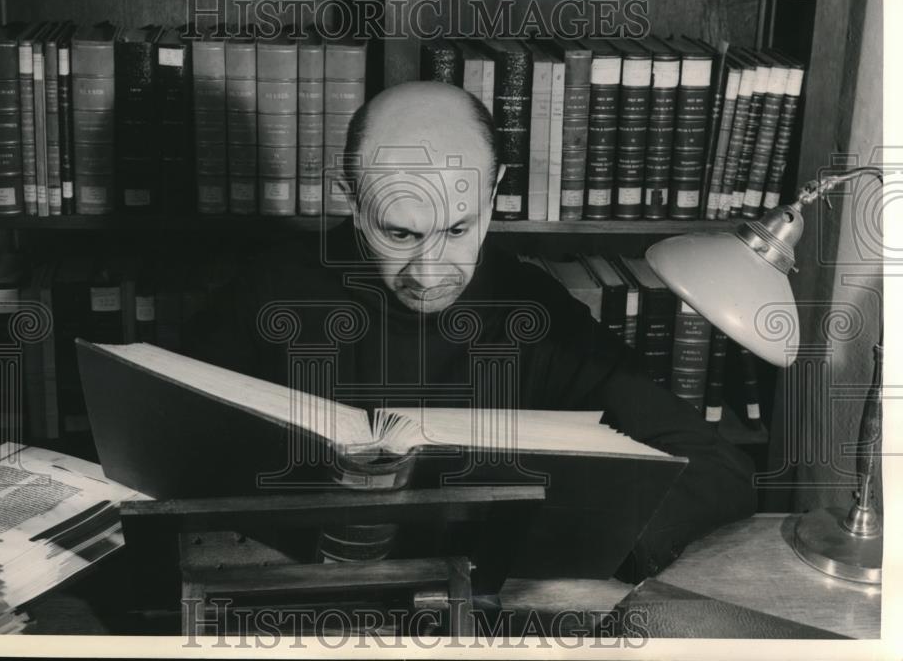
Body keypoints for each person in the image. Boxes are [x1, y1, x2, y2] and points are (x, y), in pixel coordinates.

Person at [185, 80, 756, 585]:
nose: (431, 273)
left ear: (494, 192)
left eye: (459, 228)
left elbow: (716, 470)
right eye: (401, 235)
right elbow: (169, 455)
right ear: (353, 200)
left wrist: (564, 549)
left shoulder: (532, 308)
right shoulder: (267, 290)